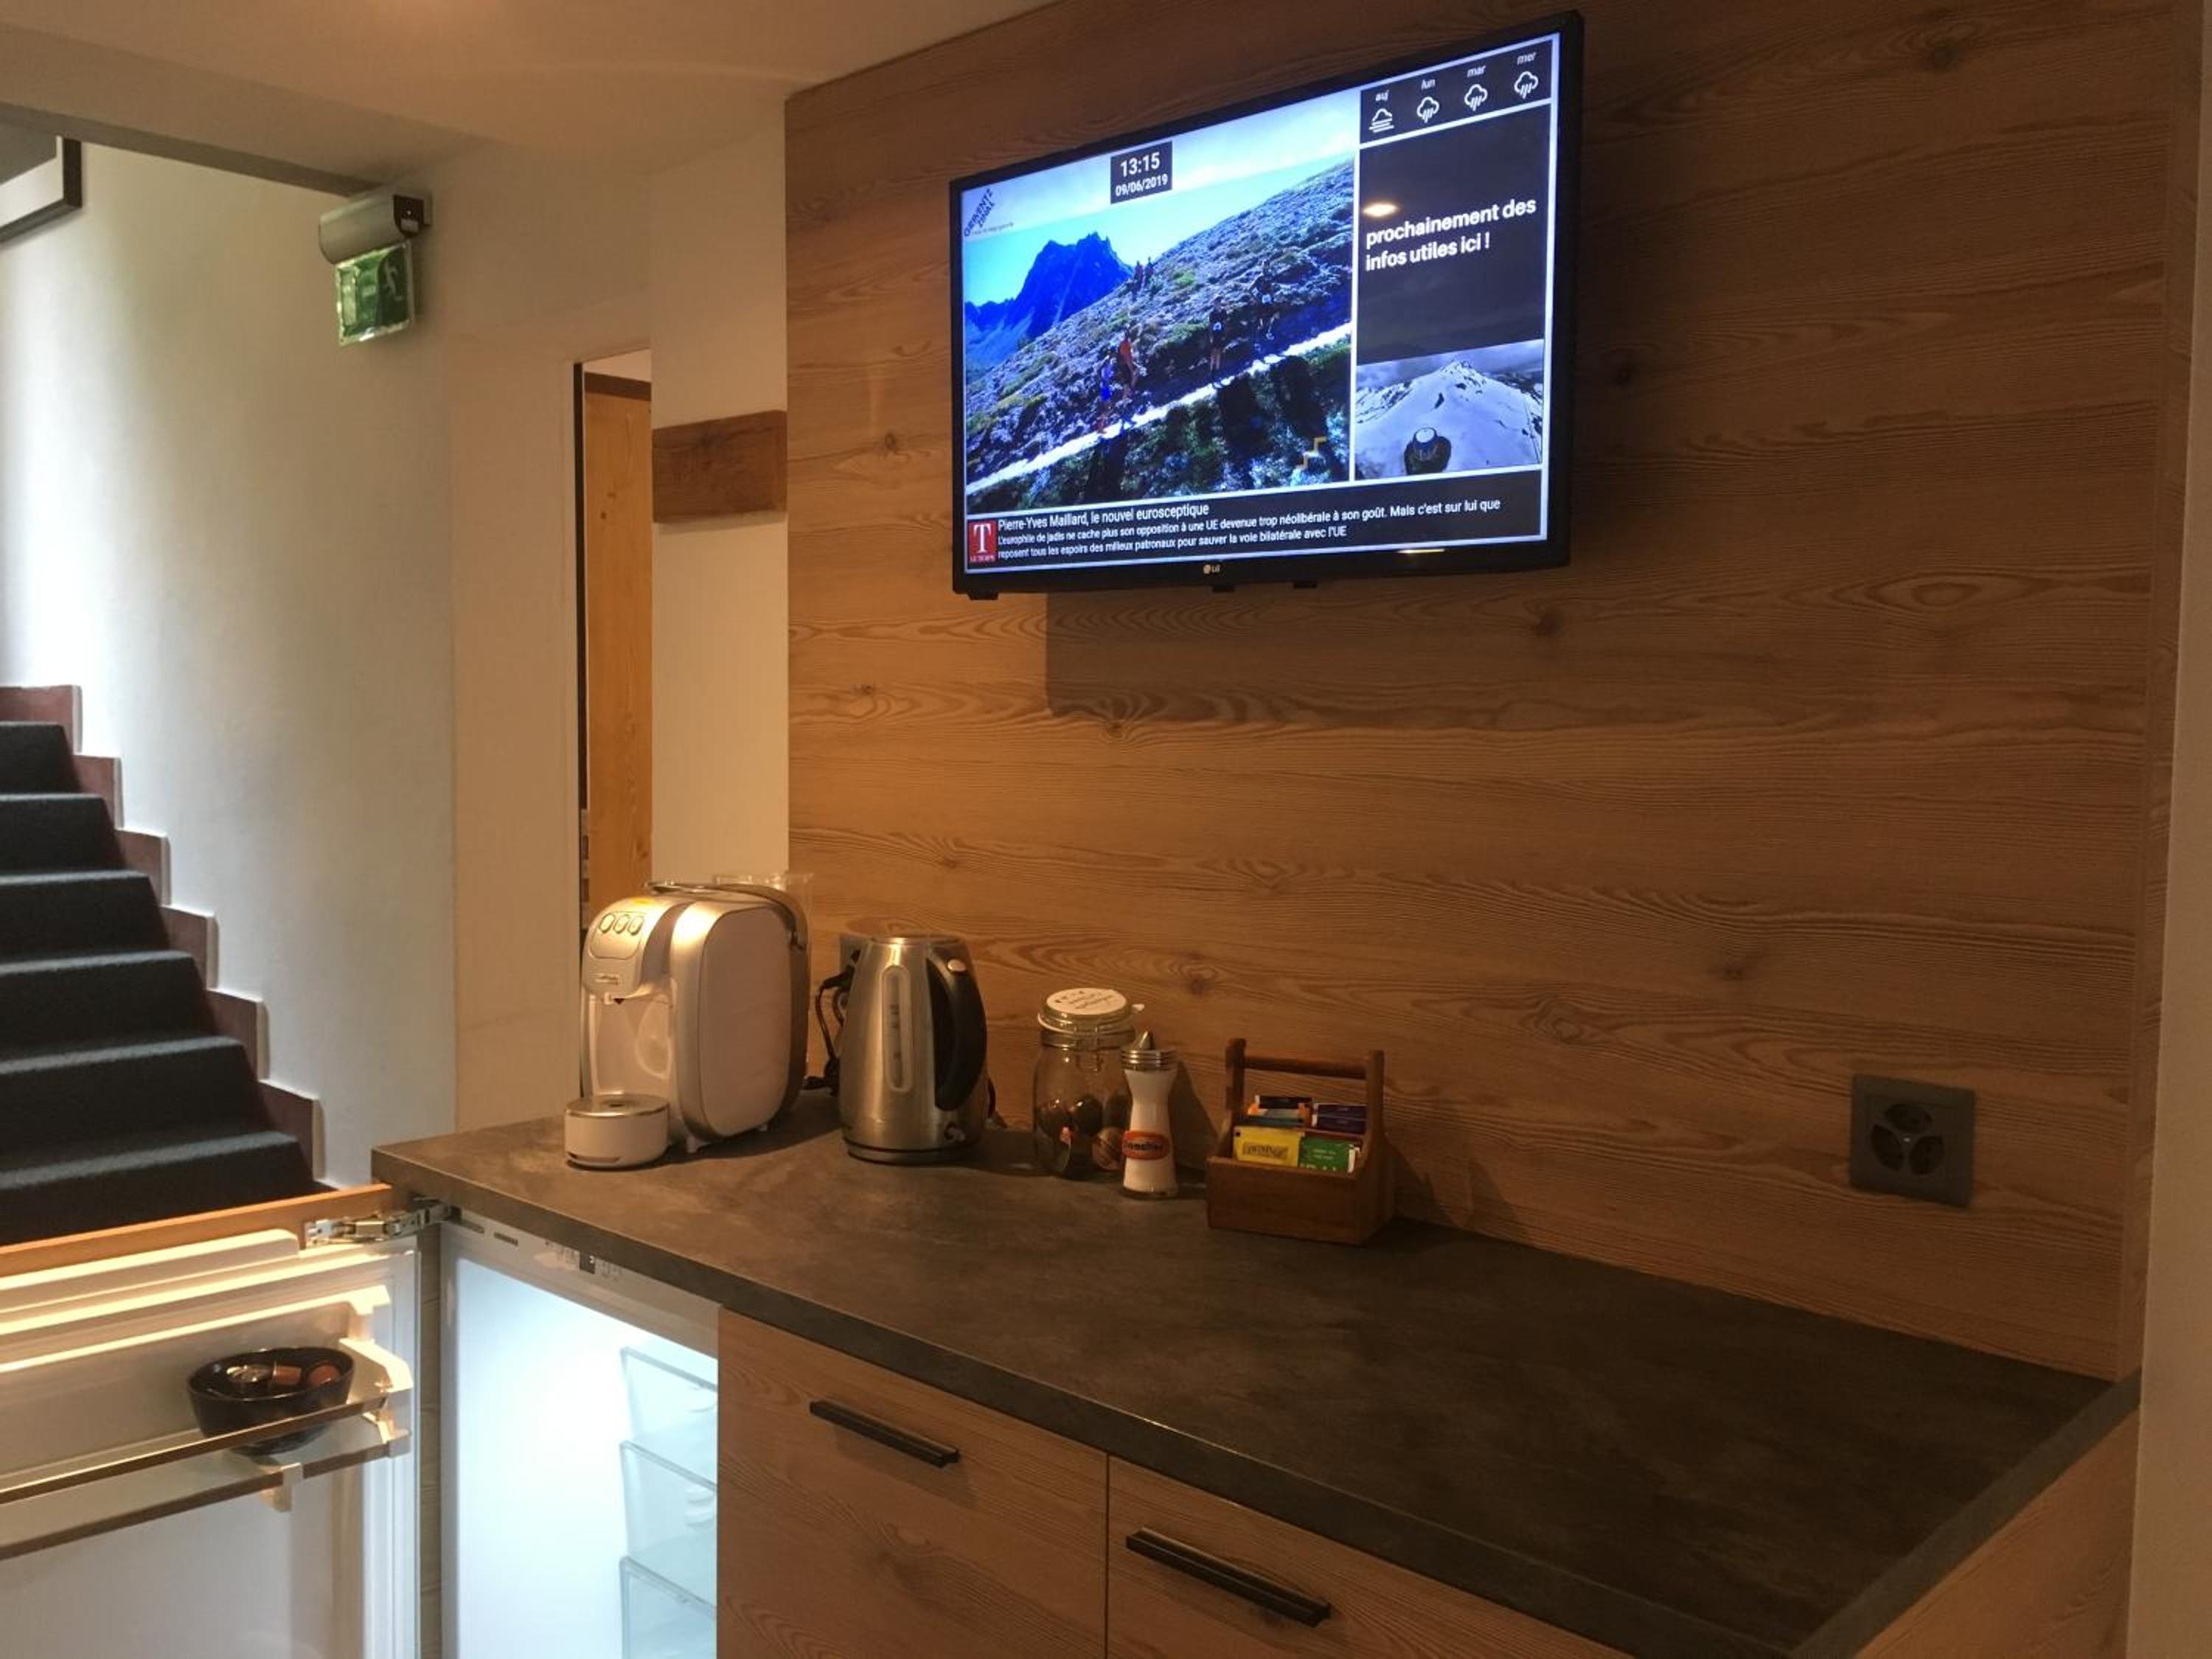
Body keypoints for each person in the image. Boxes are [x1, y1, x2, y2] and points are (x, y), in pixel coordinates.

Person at [1093, 351, 1119, 434]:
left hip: (1106, 386)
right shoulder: (1107, 361)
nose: (1115, 355)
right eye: (1114, 353)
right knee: (1109, 408)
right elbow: (1101, 372)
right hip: (1105, 387)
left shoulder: (1108, 360)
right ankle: (1100, 426)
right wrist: (1104, 381)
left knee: (1108, 408)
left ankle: (1100, 426)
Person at [1254, 273, 1279, 346]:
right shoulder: (1260, 290)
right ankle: (1259, 340)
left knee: (1272, 318)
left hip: (1268, 306)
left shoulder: (1268, 287)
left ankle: (1268, 333)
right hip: (1264, 307)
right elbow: (1249, 290)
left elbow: (1272, 293)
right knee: (1264, 322)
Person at [1207, 302, 1228, 381]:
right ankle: (1211, 371)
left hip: (1221, 334)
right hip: (1215, 335)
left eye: (1218, 303)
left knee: (1219, 352)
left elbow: (1225, 323)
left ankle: (1217, 370)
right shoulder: (1212, 314)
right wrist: (1211, 337)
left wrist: (1225, 334)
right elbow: (1210, 325)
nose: (1217, 305)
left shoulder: (1223, 312)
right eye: (1215, 304)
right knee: (1213, 353)